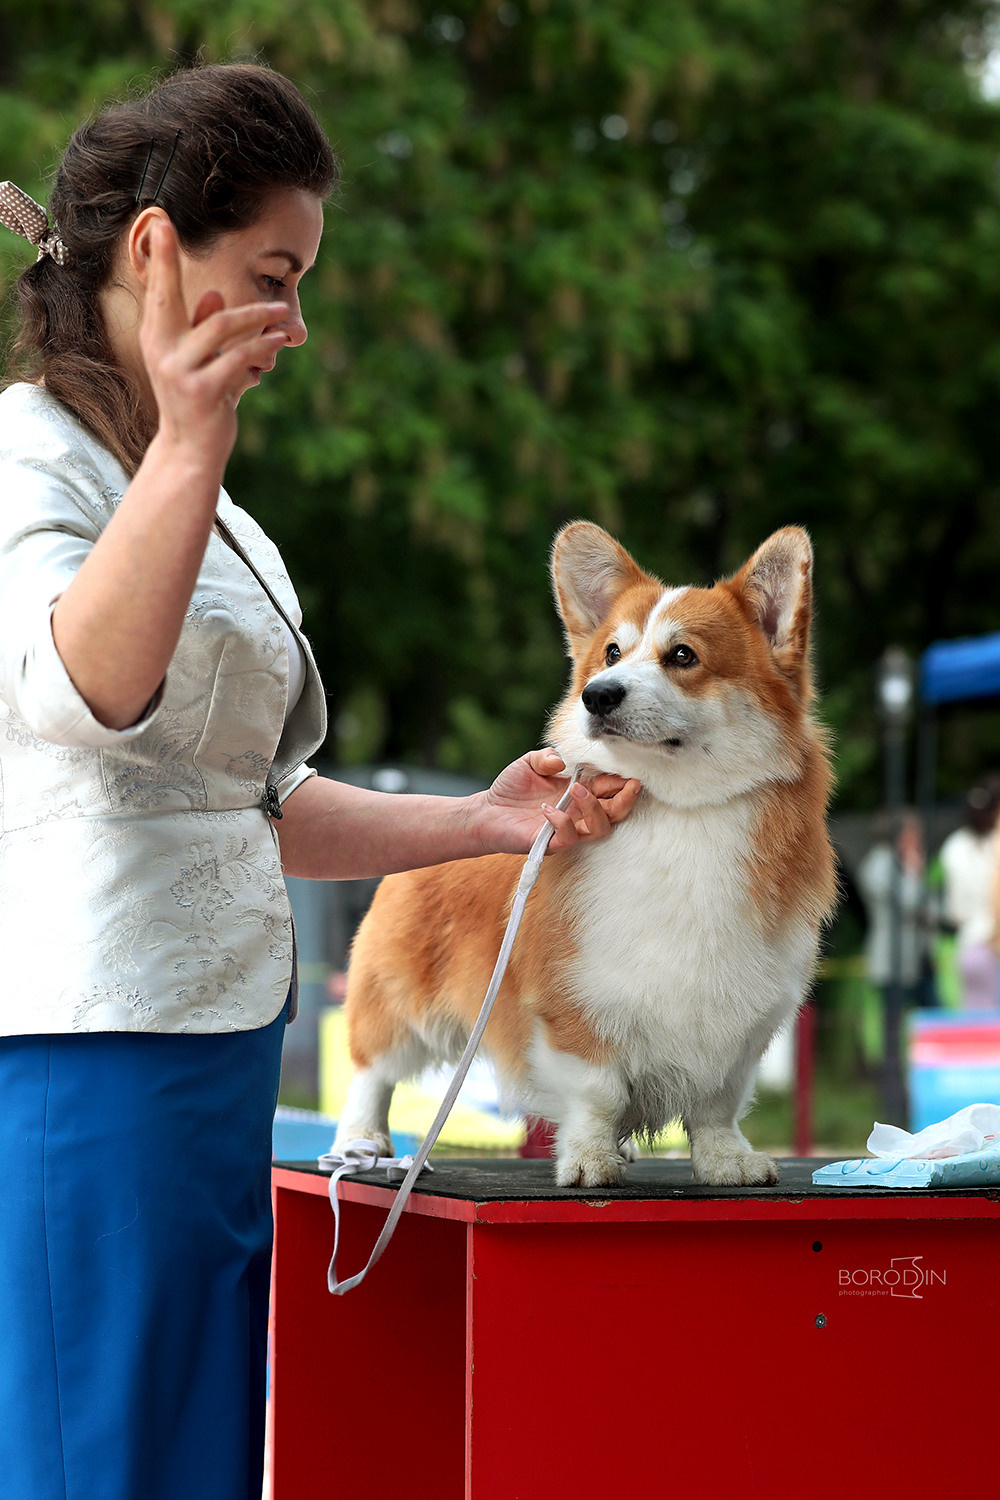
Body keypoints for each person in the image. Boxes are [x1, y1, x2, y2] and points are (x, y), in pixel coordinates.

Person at [0, 64, 640, 1500]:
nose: (293, 324)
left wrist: (483, 820)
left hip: (216, 1049)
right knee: (94, 1451)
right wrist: (189, 444)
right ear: (157, 252)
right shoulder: (30, 459)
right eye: (272, 276)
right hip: (89, 1053)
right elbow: (85, 694)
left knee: (195, 1450)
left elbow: (253, 800)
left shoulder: (202, 501)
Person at [939, 777, 1000, 1008]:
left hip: (967, 945)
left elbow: (953, 910)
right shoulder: (994, 846)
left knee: (975, 1027)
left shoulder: (953, 846)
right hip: (992, 943)